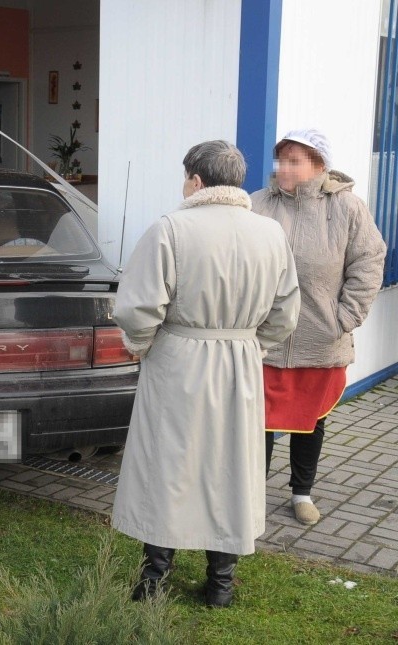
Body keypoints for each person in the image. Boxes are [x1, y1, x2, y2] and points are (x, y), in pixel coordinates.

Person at [111, 140, 301, 608]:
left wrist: (144, 345)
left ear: (196, 180)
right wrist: (251, 344)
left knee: (168, 464)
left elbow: (138, 308)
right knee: (230, 464)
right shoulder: (271, 233)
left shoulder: (171, 229)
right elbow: (286, 311)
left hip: (178, 358)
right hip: (239, 360)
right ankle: (220, 583)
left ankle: (154, 579)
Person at [251, 129, 386, 526]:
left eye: (295, 161)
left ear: (319, 166)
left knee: (310, 420)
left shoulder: (347, 208)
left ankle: (301, 493)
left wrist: (344, 318)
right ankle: (252, 492)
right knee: (259, 419)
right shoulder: (259, 203)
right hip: (266, 339)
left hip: (320, 339)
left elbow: (369, 262)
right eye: (282, 160)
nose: (285, 169)